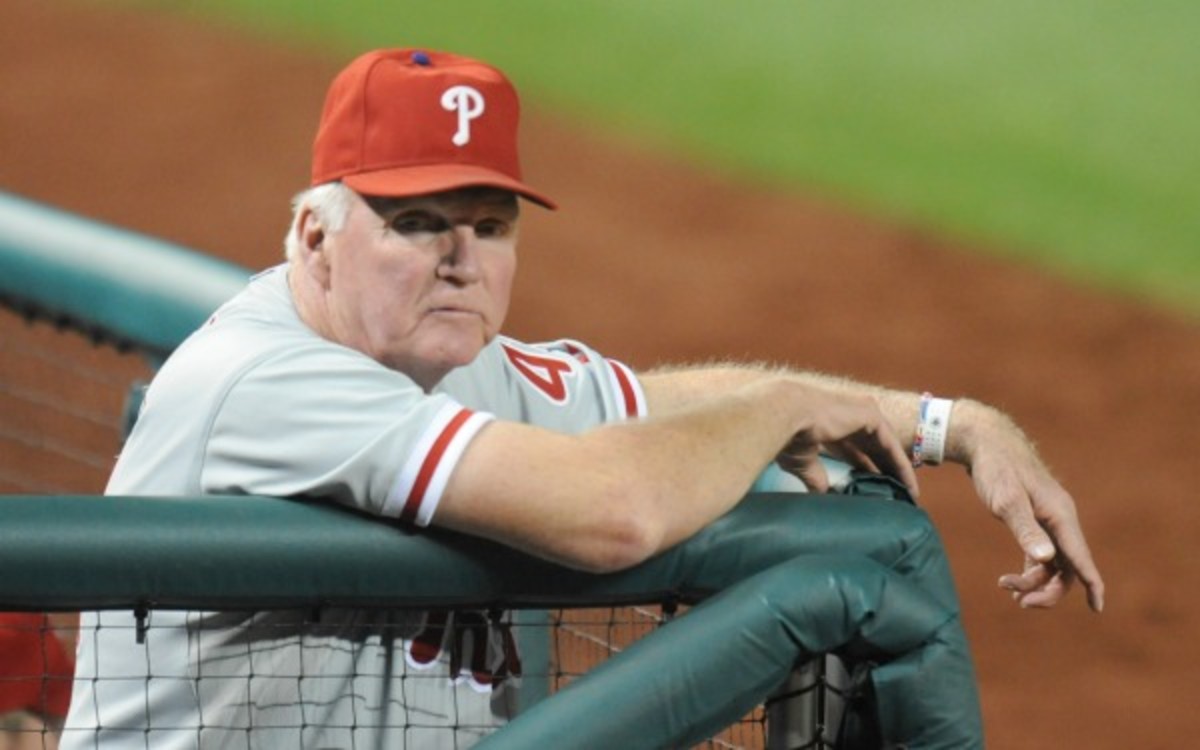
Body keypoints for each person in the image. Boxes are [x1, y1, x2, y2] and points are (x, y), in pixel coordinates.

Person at [61, 48, 1104, 749]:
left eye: (491, 224)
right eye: (417, 221)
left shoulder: (456, 361)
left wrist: (951, 423)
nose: (462, 260)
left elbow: (648, 401)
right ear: (314, 238)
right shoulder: (271, 379)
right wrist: (784, 405)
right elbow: (615, 513)